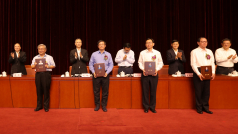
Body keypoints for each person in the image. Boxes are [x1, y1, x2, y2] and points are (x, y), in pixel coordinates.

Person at [138, 38, 164, 113]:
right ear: (145, 44)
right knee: (145, 91)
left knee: (153, 91)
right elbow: (140, 62)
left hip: (154, 74)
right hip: (145, 74)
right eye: (147, 43)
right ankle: (146, 107)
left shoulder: (157, 53)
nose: (148, 44)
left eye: (150, 42)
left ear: (153, 44)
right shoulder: (142, 53)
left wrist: (157, 69)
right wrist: (143, 69)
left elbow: (160, 63)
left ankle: (152, 107)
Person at [190, 37, 215, 114]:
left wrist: (213, 72)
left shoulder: (209, 51)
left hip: (208, 70)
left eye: (205, 41)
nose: (204, 43)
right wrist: (198, 73)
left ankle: (206, 107)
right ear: (198, 43)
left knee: (206, 91)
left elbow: (212, 63)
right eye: (202, 41)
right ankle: (199, 108)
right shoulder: (194, 51)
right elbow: (193, 64)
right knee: (198, 91)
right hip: (199, 71)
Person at [89, 40, 113, 112]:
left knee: (105, 91)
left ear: (105, 45)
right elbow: (90, 64)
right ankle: (97, 105)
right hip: (96, 74)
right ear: (98, 46)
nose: (101, 45)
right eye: (100, 44)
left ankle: (104, 106)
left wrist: (107, 72)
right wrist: (93, 72)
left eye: (103, 44)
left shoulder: (108, 54)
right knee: (96, 91)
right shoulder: (94, 54)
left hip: (105, 74)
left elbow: (111, 65)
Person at [31, 44, 56, 112]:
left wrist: (48, 66)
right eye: (39, 49)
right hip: (38, 74)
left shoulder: (49, 57)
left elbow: (53, 66)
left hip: (46, 74)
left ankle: (46, 107)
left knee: (46, 90)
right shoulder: (35, 57)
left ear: (45, 50)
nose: (41, 50)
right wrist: (35, 65)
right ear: (38, 50)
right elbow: (32, 66)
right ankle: (39, 106)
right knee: (38, 91)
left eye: (42, 49)